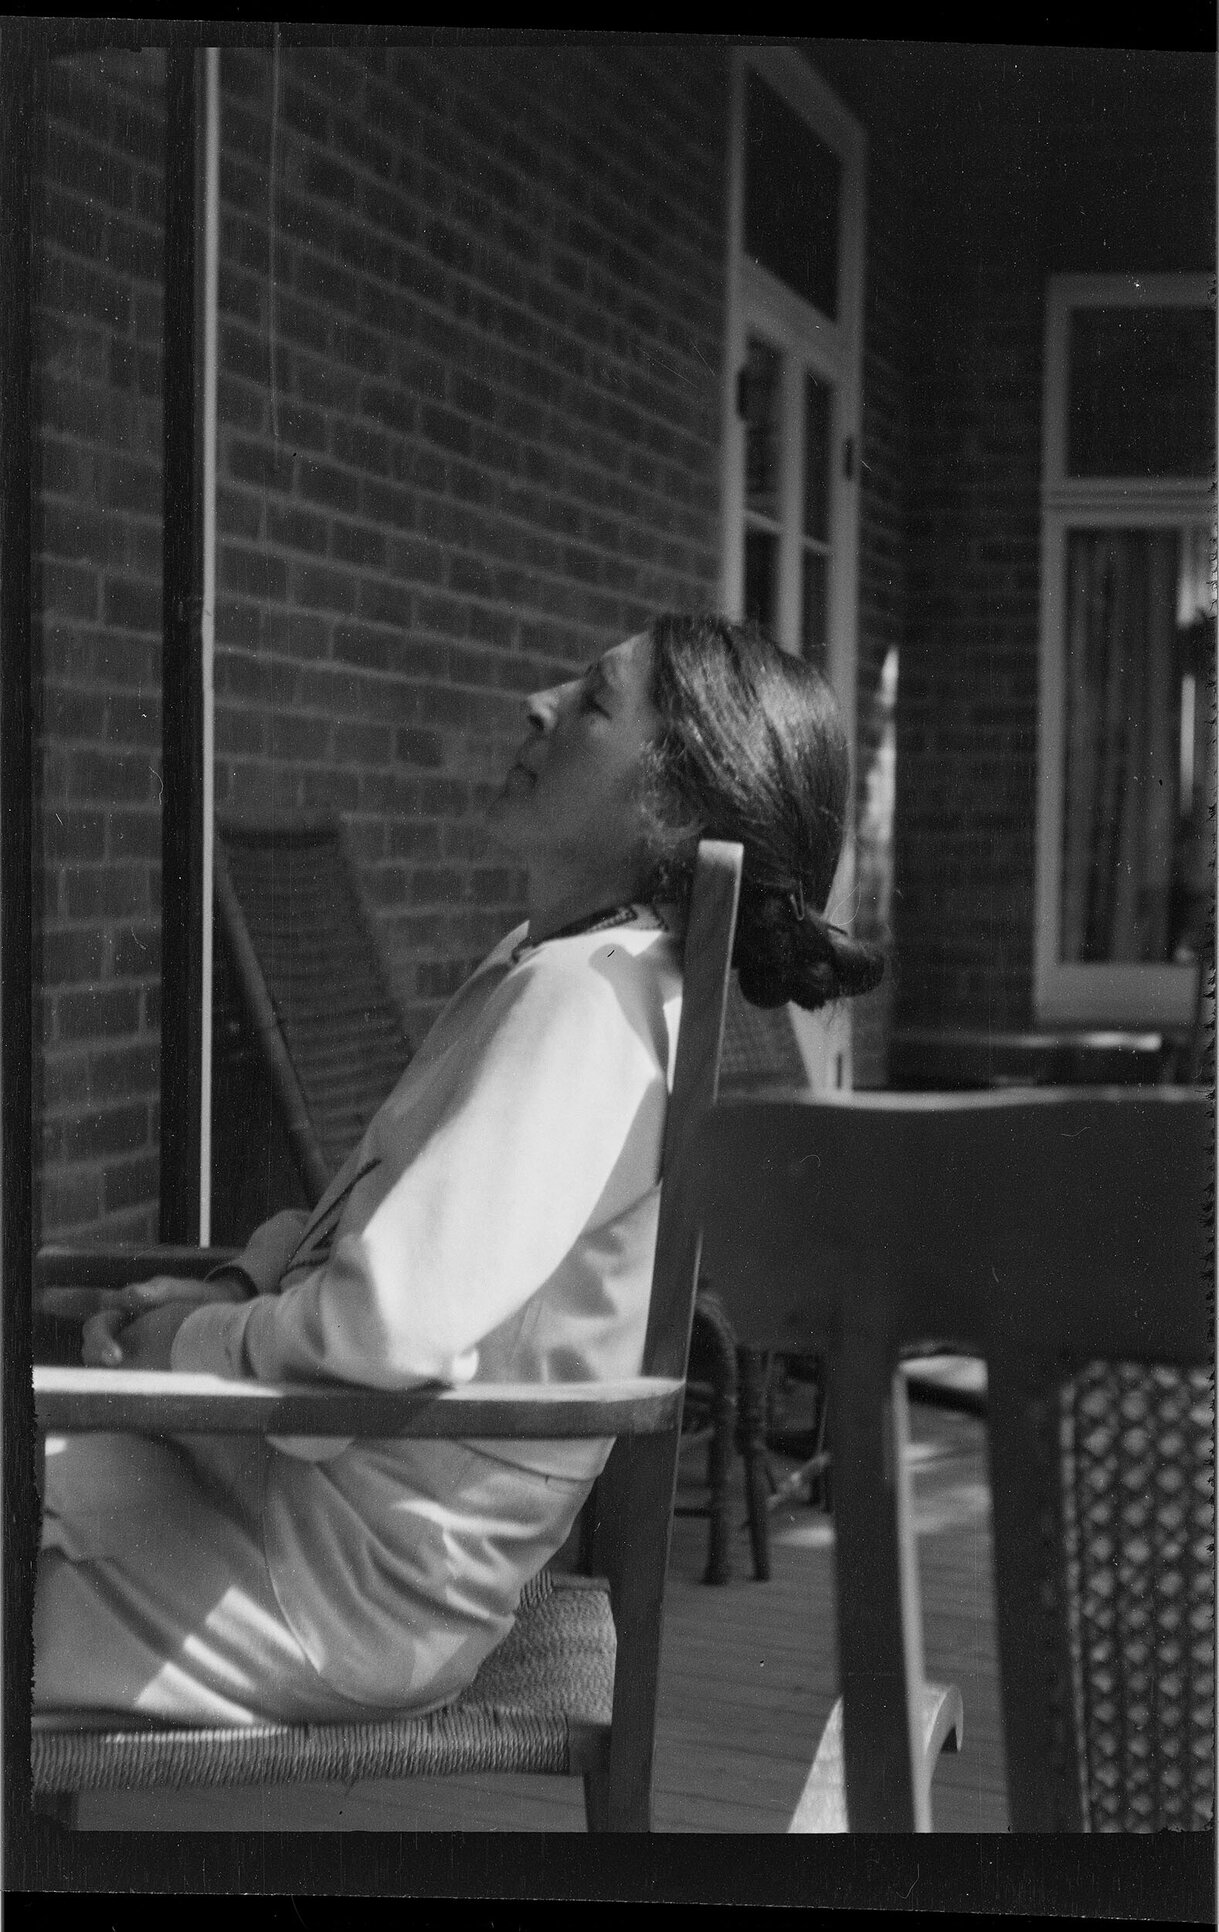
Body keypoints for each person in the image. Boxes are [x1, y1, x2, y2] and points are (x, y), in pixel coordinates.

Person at [35, 612, 883, 1727]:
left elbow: (388, 1326)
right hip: (313, 1516)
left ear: (671, 809)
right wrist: (236, 1288)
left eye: (591, 703)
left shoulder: (588, 1001)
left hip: (335, 1581)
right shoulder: (565, 967)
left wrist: (171, 1348)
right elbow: (390, 1218)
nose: (537, 704)